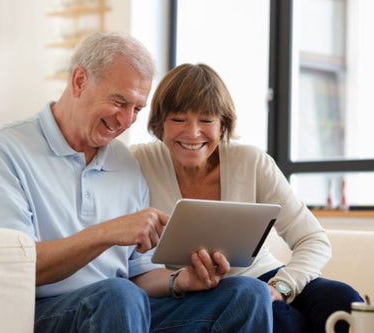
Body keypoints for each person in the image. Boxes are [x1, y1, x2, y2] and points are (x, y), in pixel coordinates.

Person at [0, 33, 273, 332]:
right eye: (119, 102)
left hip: (123, 309)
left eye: (137, 109)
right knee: (118, 295)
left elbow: (139, 274)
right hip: (40, 312)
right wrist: (107, 233)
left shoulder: (124, 162)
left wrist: (180, 281)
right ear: (79, 81)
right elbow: (14, 268)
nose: (127, 121)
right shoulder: (1, 149)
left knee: (247, 293)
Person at [131, 63, 363, 333]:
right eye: (178, 119)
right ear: (159, 123)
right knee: (282, 321)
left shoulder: (251, 161)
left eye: (206, 120)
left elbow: (313, 239)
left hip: (264, 278)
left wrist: (282, 286)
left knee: (343, 301)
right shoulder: (137, 162)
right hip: (197, 291)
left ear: (222, 125)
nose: (193, 133)